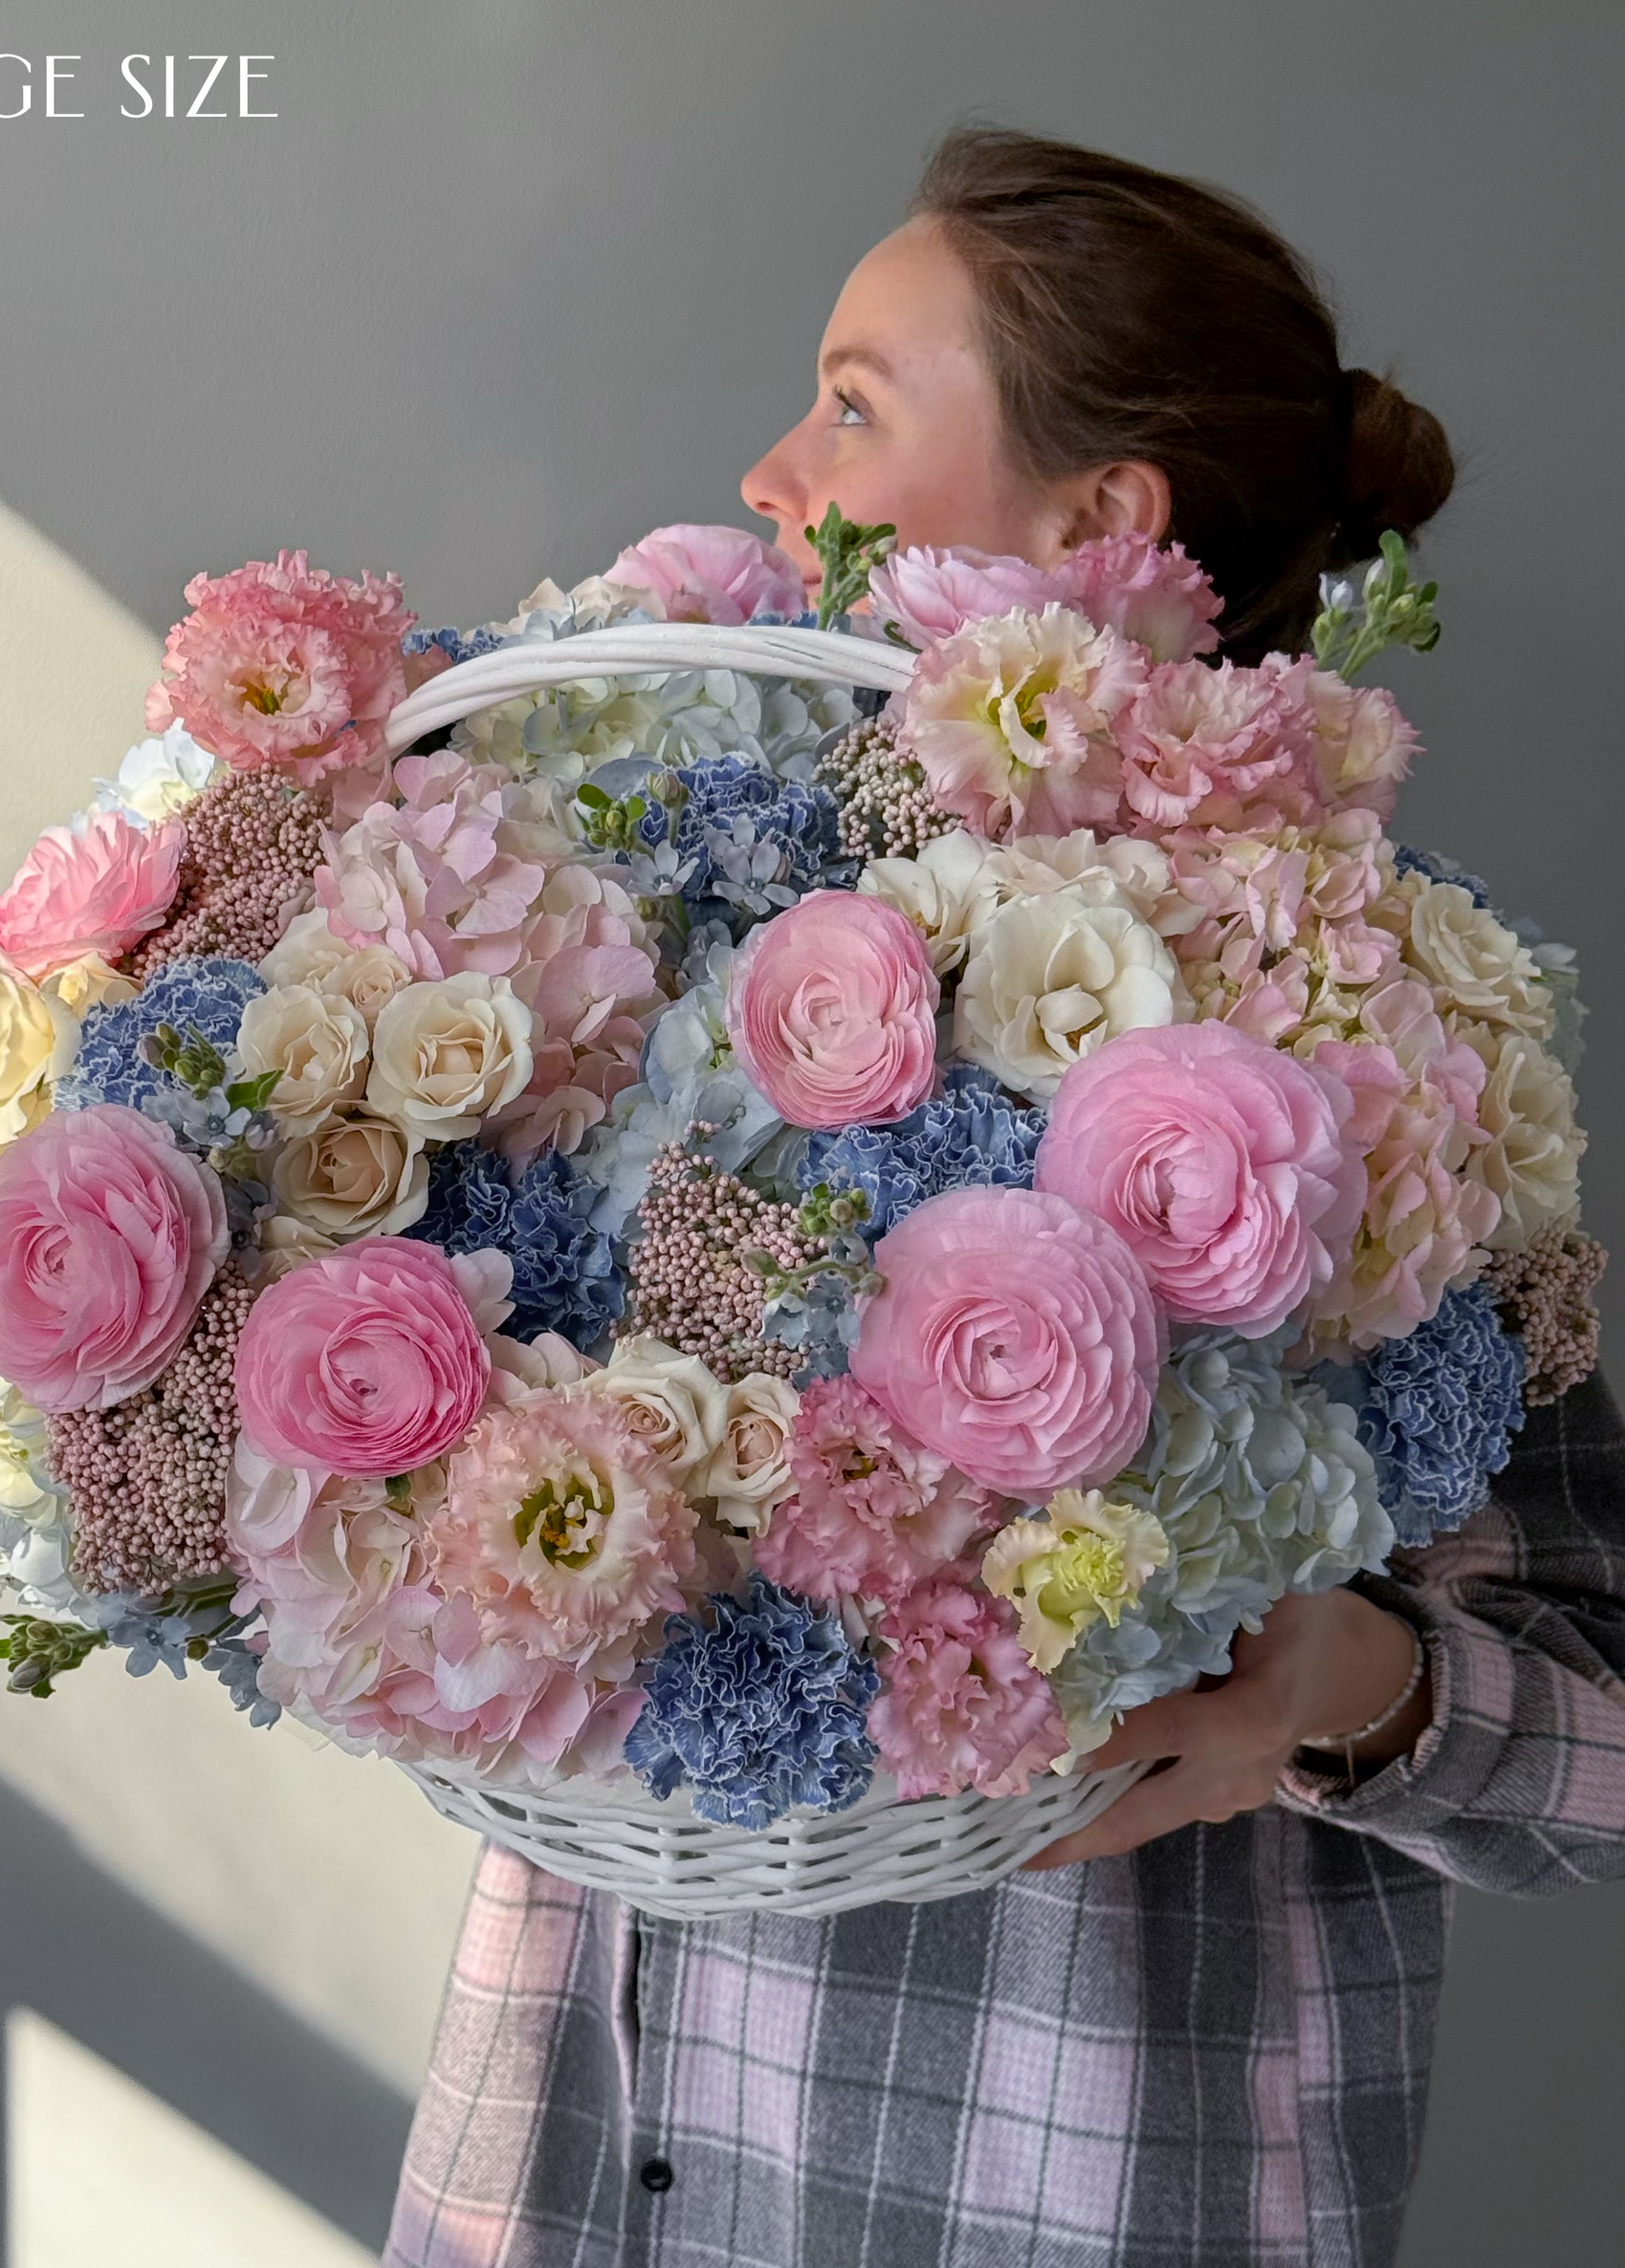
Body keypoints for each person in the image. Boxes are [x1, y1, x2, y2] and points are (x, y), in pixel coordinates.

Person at [384, 130, 1625, 2268]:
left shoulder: (1377, 1039)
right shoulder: (649, 913)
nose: (775, 468)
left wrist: (1336, 1686)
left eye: (856, 405)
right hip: (569, 2175)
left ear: (1100, 522)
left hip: (1059, 2196)